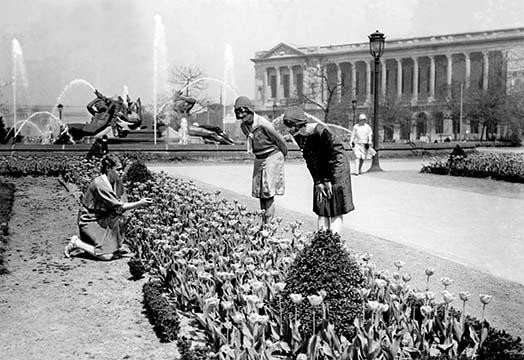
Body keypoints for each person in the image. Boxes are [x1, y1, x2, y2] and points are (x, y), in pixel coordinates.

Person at [63, 155, 153, 260]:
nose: (121, 172)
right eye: (118, 169)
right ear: (108, 168)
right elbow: (120, 205)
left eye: (122, 169)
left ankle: (104, 245)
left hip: (104, 218)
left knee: (118, 240)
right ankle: (77, 243)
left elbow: (122, 204)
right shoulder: (100, 184)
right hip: (89, 220)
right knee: (107, 256)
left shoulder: (117, 181)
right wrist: (140, 203)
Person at [282, 106, 354, 233]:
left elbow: (331, 155)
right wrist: (318, 181)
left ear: (298, 124)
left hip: (337, 167)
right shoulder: (299, 134)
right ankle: (322, 240)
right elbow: (309, 159)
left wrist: (327, 179)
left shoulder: (321, 131)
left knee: (335, 206)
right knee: (322, 205)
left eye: (290, 126)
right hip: (322, 168)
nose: (288, 130)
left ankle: (333, 242)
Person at [235, 96, 287, 224]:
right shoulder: (244, 126)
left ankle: (269, 224)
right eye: (239, 114)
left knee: (268, 192)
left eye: (244, 113)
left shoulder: (263, 124)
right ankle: (264, 221)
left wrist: (282, 156)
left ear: (250, 110)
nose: (242, 117)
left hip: (271, 156)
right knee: (260, 192)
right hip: (259, 158)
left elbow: (279, 139)